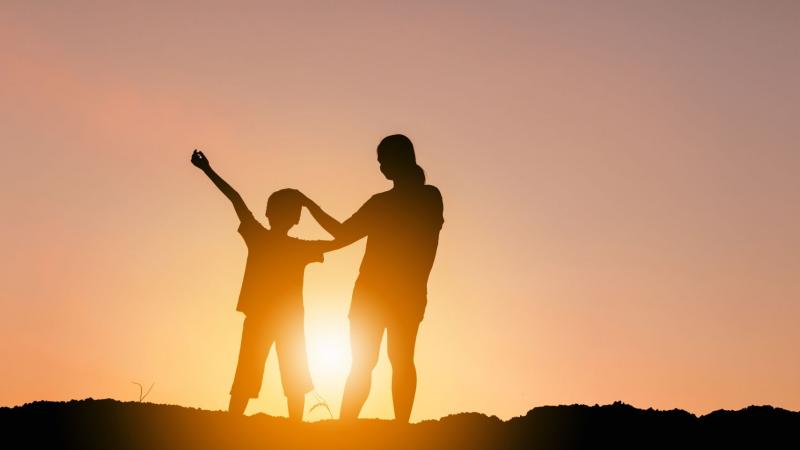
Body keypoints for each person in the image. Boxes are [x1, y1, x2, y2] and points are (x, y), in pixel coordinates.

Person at [300, 134, 444, 423]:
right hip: (394, 294)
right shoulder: (425, 198)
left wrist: (308, 206)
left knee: (377, 363)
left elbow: (342, 234)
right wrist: (311, 238)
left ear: (398, 159)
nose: (380, 167)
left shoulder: (417, 198)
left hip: (384, 294)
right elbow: (342, 236)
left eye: (383, 161)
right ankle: (366, 427)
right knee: (394, 360)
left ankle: (351, 427)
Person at [190, 149, 339, 420]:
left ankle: (234, 423)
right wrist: (308, 203)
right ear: (296, 218)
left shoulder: (260, 237)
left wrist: (207, 170)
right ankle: (293, 428)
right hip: (283, 319)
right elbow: (341, 240)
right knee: (289, 376)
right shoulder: (298, 248)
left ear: (268, 212)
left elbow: (236, 200)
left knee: (254, 373)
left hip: (264, 317)